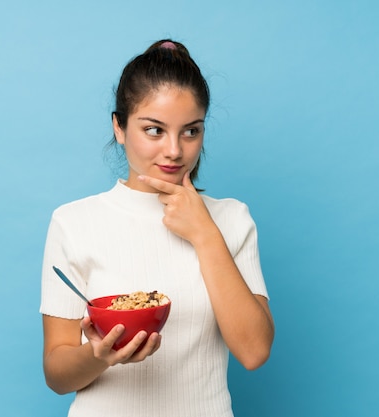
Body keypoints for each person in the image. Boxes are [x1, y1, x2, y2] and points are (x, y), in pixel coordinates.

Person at [40, 39, 274, 417]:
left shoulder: (231, 219)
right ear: (119, 127)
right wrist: (99, 355)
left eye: (191, 131)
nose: (174, 151)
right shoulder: (73, 222)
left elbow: (254, 351)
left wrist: (204, 233)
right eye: (154, 130)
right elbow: (56, 374)